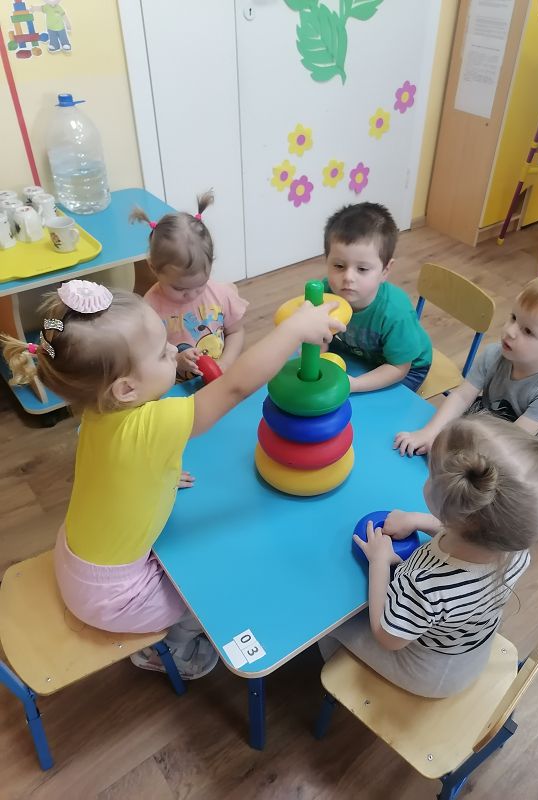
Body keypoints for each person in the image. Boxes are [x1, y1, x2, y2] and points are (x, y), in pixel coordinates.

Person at [1, 279, 344, 679]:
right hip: (115, 596)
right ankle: (171, 649)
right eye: (162, 353)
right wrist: (294, 331)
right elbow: (234, 388)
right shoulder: (151, 425)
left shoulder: (98, 411)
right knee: (209, 592)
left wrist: (157, 475)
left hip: (80, 557)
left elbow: (119, 472)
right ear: (126, 389)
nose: (173, 351)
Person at [320, 414, 538, 698]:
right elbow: (466, 533)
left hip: (424, 671)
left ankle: (341, 681)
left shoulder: (425, 586)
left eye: (432, 475)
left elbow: (387, 637)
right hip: (468, 650)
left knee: (328, 624)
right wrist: (418, 520)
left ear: (451, 507)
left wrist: (380, 563)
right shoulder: (515, 552)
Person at [394, 270, 538, 456]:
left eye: (528, 331)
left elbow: (510, 445)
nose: (510, 331)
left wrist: (450, 449)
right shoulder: (495, 354)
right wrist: (430, 432)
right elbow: (462, 396)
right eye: (513, 317)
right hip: (492, 424)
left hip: (526, 450)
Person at [131, 193, 248, 380]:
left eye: (201, 284)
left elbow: (236, 332)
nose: (192, 294)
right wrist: (177, 360)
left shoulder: (221, 294)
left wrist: (226, 362)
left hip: (219, 380)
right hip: (176, 386)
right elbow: (148, 358)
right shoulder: (149, 309)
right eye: (179, 288)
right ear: (153, 267)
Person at [322, 201, 432, 393]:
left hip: (406, 367)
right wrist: (318, 358)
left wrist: (354, 385)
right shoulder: (325, 292)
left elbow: (399, 368)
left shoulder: (395, 312)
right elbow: (319, 336)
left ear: (385, 270)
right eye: (338, 266)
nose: (348, 277)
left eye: (362, 269)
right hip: (358, 352)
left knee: (372, 407)